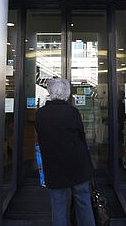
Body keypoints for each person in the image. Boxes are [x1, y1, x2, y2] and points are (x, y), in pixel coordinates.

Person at [34, 77, 96, 226]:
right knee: (84, 203)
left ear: (50, 92)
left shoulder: (41, 114)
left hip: (54, 166)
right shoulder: (72, 112)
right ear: (66, 93)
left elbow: (41, 137)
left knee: (58, 205)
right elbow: (81, 137)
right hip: (78, 165)